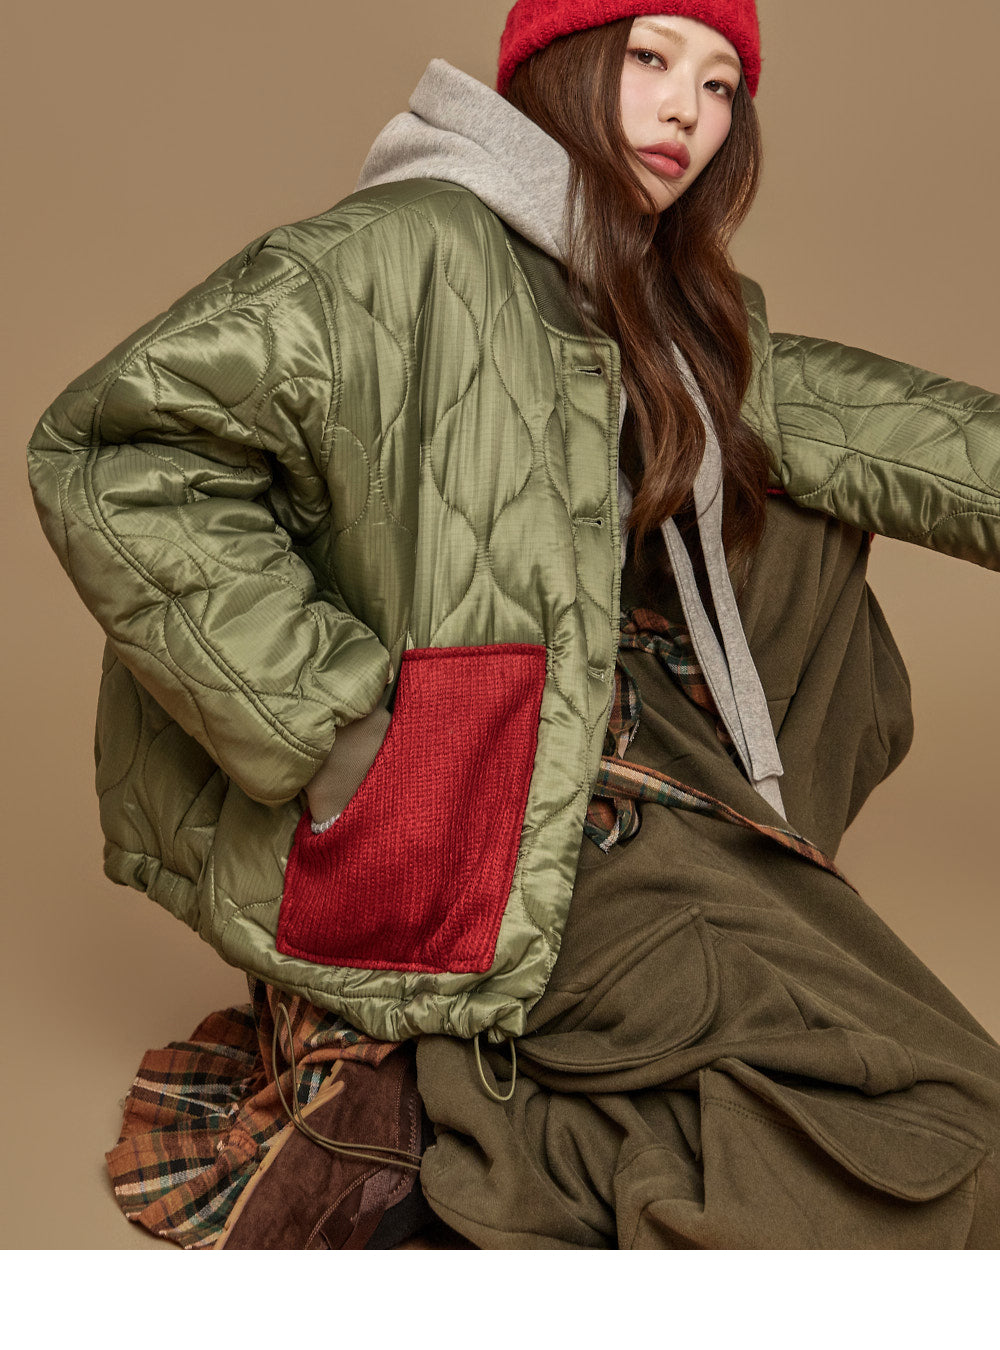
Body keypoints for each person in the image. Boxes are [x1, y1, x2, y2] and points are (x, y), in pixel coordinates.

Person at [25, 0, 1000, 1248]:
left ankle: (502, 1085)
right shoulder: (398, 248)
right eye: (650, 58)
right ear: (560, 64)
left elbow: (884, 430)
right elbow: (113, 453)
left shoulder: (652, 299)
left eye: (719, 86)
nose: (686, 112)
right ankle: (443, 1095)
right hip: (446, 821)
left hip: (614, 783)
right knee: (933, 1132)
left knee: (793, 469)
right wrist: (337, 736)